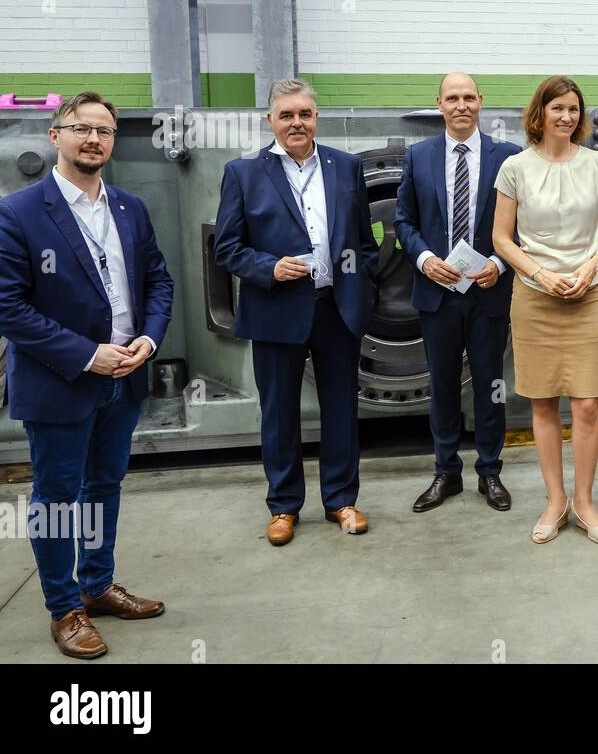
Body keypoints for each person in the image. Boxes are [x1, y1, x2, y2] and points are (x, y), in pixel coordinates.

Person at [0, 92, 173, 658]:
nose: (93, 139)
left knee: (104, 487)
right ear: (56, 136)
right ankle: (65, 607)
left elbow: (158, 281)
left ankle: (97, 585)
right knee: (56, 498)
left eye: (104, 130)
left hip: (125, 375)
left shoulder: (129, 208)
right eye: (80, 129)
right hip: (61, 380)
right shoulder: (19, 211)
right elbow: (9, 306)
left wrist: (148, 337)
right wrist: (86, 354)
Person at [214, 78, 379, 546]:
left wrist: (361, 287)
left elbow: (366, 242)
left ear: (316, 118)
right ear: (270, 120)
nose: (296, 123)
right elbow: (227, 248)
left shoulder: (346, 167)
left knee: (342, 410)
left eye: (304, 114)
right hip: (275, 310)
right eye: (286, 115)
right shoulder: (243, 173)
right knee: (280, 414)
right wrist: (270, 267)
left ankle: (341, 500)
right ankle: (284, 506)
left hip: (336, 308)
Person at [491, 76, 598, 545]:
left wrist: (591, 265)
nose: (566, 117)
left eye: (573, 109)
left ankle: (584, 502)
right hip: (535, 297)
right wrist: (540, 275)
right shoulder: (515, 168)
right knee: (543, 401)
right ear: (540, 113)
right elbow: (501, 238)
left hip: (590, 293)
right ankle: (554, 500)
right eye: (557, 108)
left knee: (586, 404)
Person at [395, 73, 521, 513]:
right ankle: (446, 472)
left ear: (481, 102)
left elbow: (522, 225)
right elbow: (403, 223)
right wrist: (426, 260)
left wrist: (500, 264)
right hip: (438, 292)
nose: (461, 105)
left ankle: (490, 472)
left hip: (488, 290)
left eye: (469, 97)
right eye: (453, 98)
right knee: (443, 385)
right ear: (440, 104)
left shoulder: (509, 157)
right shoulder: (419, 157)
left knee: (490, 386)